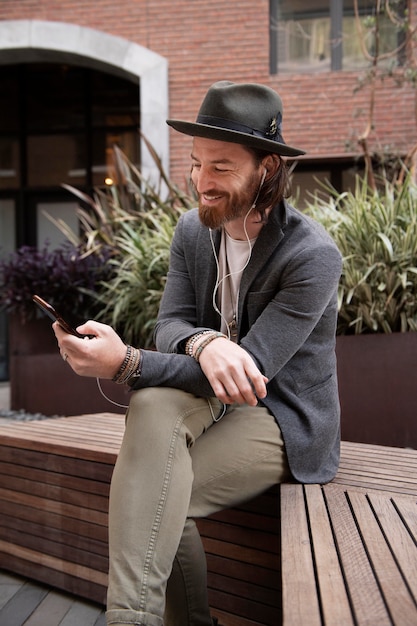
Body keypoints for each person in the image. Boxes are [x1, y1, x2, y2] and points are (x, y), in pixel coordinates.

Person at [54, 80, 342, 626]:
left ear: (269, 168)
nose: (201, 183)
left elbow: (246, 377)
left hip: (278, 412)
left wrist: (125, 364)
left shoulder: (311, 256)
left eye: (221, 168)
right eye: (195, 164)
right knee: (153, 407)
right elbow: (171, 323)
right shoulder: (193, 231)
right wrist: (202, 340)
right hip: (207, 400)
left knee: (162, 500)